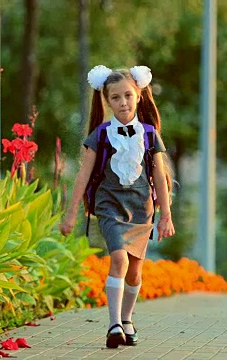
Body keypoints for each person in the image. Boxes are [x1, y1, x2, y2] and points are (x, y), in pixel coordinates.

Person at [60, 65, 175, 349]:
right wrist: (71, 211)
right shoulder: (100, 135)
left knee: (135, 271)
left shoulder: (149, 134)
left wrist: (166, 216)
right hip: (109, 203)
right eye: (115, 97)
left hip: (141, 207)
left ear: (139, 96)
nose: (122, 102)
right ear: (107, 101)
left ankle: (126, 320)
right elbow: (83, 174)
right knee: (120, 260)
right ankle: (113, 324)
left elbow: (159, 177)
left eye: (127, 95)